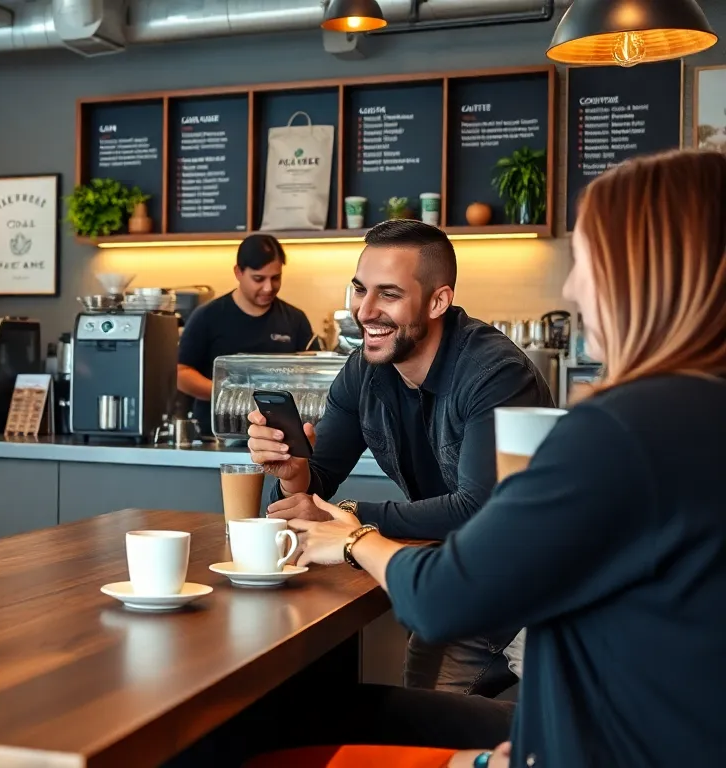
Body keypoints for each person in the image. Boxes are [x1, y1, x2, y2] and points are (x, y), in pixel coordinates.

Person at [274, 148, 726, 767]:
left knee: (289, 733)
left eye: (587, 260)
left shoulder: (622, 425)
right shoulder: (695, 413)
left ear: (645, 274)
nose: (571, 286)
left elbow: (449, 592)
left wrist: (354, 537)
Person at [248, 220, 552, 696]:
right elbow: (314, 484)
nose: (364, 311)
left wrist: (347, 519)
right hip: (456, 580)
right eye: (358, 289)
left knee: (541, 736)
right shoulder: (366, 370)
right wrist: (293, 478)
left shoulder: (494, 374)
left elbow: (478, 508)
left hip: (535, 592)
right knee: (417, 718)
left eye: (388, 294)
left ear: (437, 301)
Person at [177, 233, 314, 431]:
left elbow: (310, 375)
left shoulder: (295, 319)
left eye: (275, 278)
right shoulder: (208, 316)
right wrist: (236, 399)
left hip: (278, 436)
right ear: (238, 272)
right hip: (216, 434)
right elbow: (181, 374)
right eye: (258, 279)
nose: (268, 287)